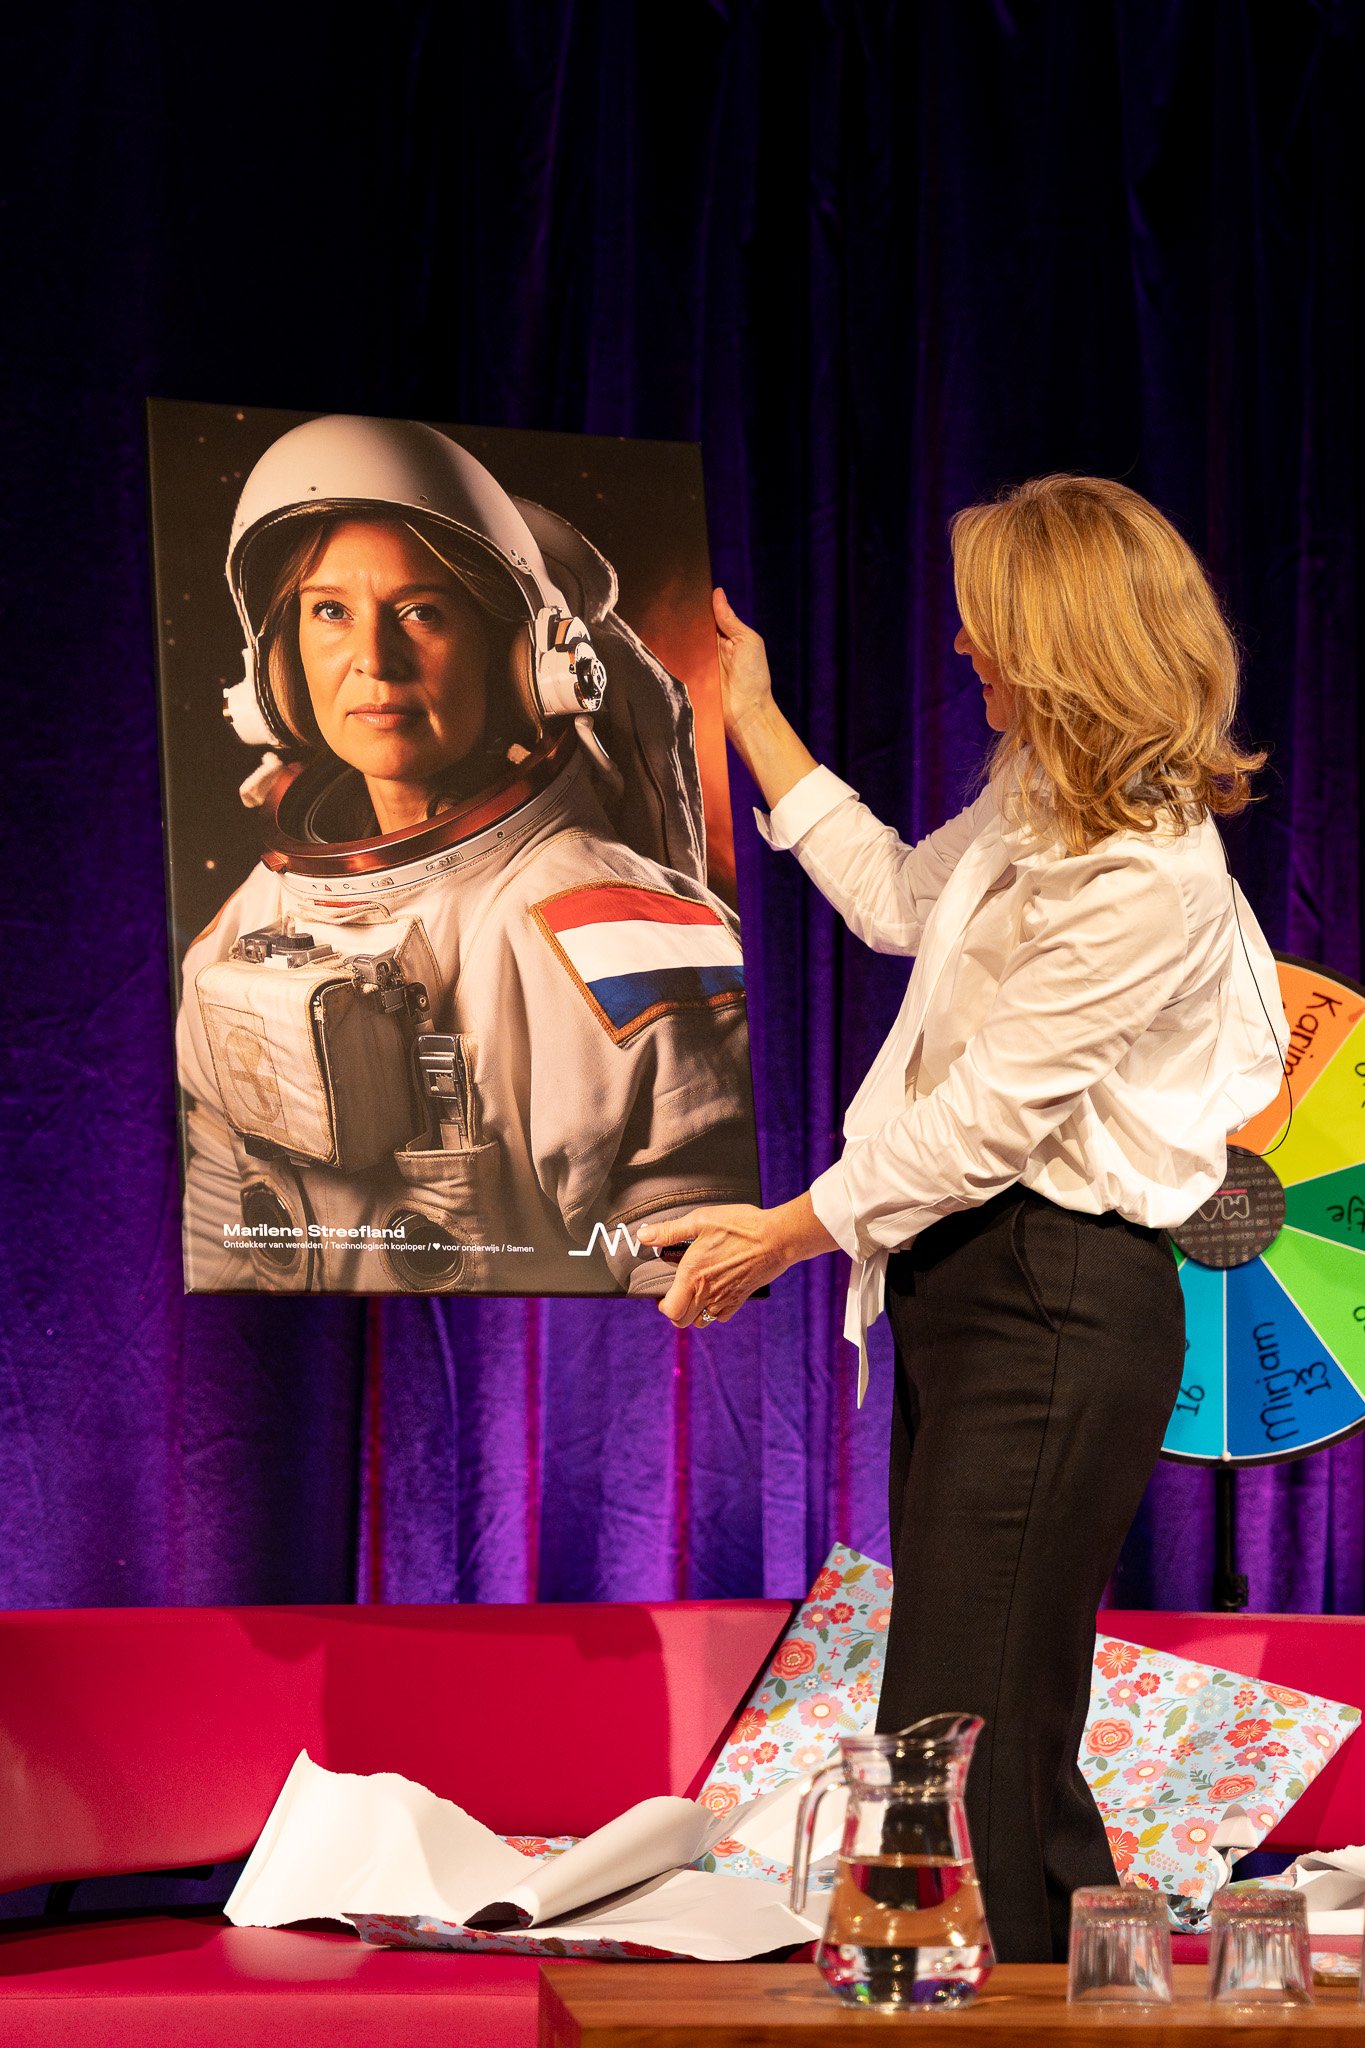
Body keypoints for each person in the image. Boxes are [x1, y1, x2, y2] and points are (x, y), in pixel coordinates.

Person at [640, 475, 1289, 1962]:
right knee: (981, 1714)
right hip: (975, 1284)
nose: (958, 645)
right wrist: (753, 714)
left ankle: (961, 1988)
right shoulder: (1042, 804)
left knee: (962, 1713)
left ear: (1064, 644)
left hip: (1055, 1296)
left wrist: (782, 1232)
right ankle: (1039, 1978)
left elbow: (989, 1120)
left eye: (986, 622)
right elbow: (892, 898)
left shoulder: (1148, 872)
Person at [174, 413, 759, 1296]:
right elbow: (223, 1222)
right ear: (277, 669)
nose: (374, 660)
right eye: (330, 612)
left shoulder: (607, 930)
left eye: (422, 612)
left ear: (517, 658)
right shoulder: (251, 920)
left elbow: (694, 1278)